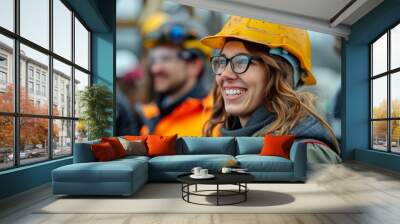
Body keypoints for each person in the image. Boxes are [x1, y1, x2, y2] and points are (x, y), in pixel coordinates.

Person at [201, 16, 341, 163]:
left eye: (241, 61)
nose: (225, 74)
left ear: (280, 73)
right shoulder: (227, 141)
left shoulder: (304, 154)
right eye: (221, 61)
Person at [139, 15, 213, 136]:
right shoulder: (151, 114)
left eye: (166, 59)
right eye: (155, 60)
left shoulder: (215, 121)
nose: (155, 69)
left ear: (194, 66)